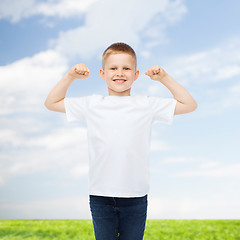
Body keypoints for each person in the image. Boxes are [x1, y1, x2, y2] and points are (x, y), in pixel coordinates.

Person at [44, 42, 197, 240]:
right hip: (101, 196)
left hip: (135, 196)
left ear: (135, 74)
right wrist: (70, 77)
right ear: (102, 73)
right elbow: (51, 103)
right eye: (113, 68)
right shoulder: (92, 104)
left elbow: (190, 105)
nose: (120, 73)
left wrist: (164, 78)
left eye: (126, 68)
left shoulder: (146, 104)